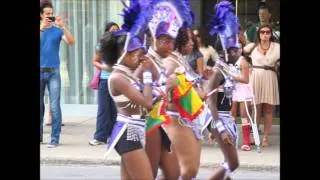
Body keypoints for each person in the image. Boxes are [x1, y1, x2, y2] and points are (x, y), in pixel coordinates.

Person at [103, 1, 162, 179]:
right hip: (127, 133)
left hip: (136, 130)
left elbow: (151, 91)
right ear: (122, 54)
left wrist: (156, 88)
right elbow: (146, 102)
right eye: (134, 53)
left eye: (138, 52)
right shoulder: (118, 77)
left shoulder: (128, 73)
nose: (138, 56)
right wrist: (147, 75)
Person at [135, 22, 180, 179]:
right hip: (147, 124)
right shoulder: (146, 63)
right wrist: (164, 89)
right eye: (166, 41)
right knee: (149, 173)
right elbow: (133, 93)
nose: (171, 45)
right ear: (155, 40)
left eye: (172, 41)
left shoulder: (159, 61)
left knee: (173, 173)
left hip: (159, 122)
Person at [40, 0, 75, 148]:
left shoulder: (57, 30)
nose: (50, 15)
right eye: (47, 13)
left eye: (51, 13)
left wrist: (63, 26)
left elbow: (71, 42)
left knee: (54, 106)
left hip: (54, 72)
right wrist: (41, 29)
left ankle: (54, 139)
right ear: (41, 15)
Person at [243, 24, 280, 147]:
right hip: (256, 77)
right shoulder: (251, 47)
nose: (265, 34)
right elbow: (240, 56)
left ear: (271, 34)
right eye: (262, 32)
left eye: (267, 32)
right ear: (258, 34)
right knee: (256, 108)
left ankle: (265, 137)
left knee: (269, 109)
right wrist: (246, 67)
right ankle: (255, 135)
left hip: (270, 77)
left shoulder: (277, 47)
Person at [89, 22, 120, 146]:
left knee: (114, 110)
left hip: (117, 80)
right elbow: (95, 61)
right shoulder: (101, 45)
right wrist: (104, 67)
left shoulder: (121, 46)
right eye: (112, 30)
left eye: (117, 30)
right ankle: (100, 137)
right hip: (104, 79)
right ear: (107, 31)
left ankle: (113, 136)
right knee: (103, 109)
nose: (115, 32)